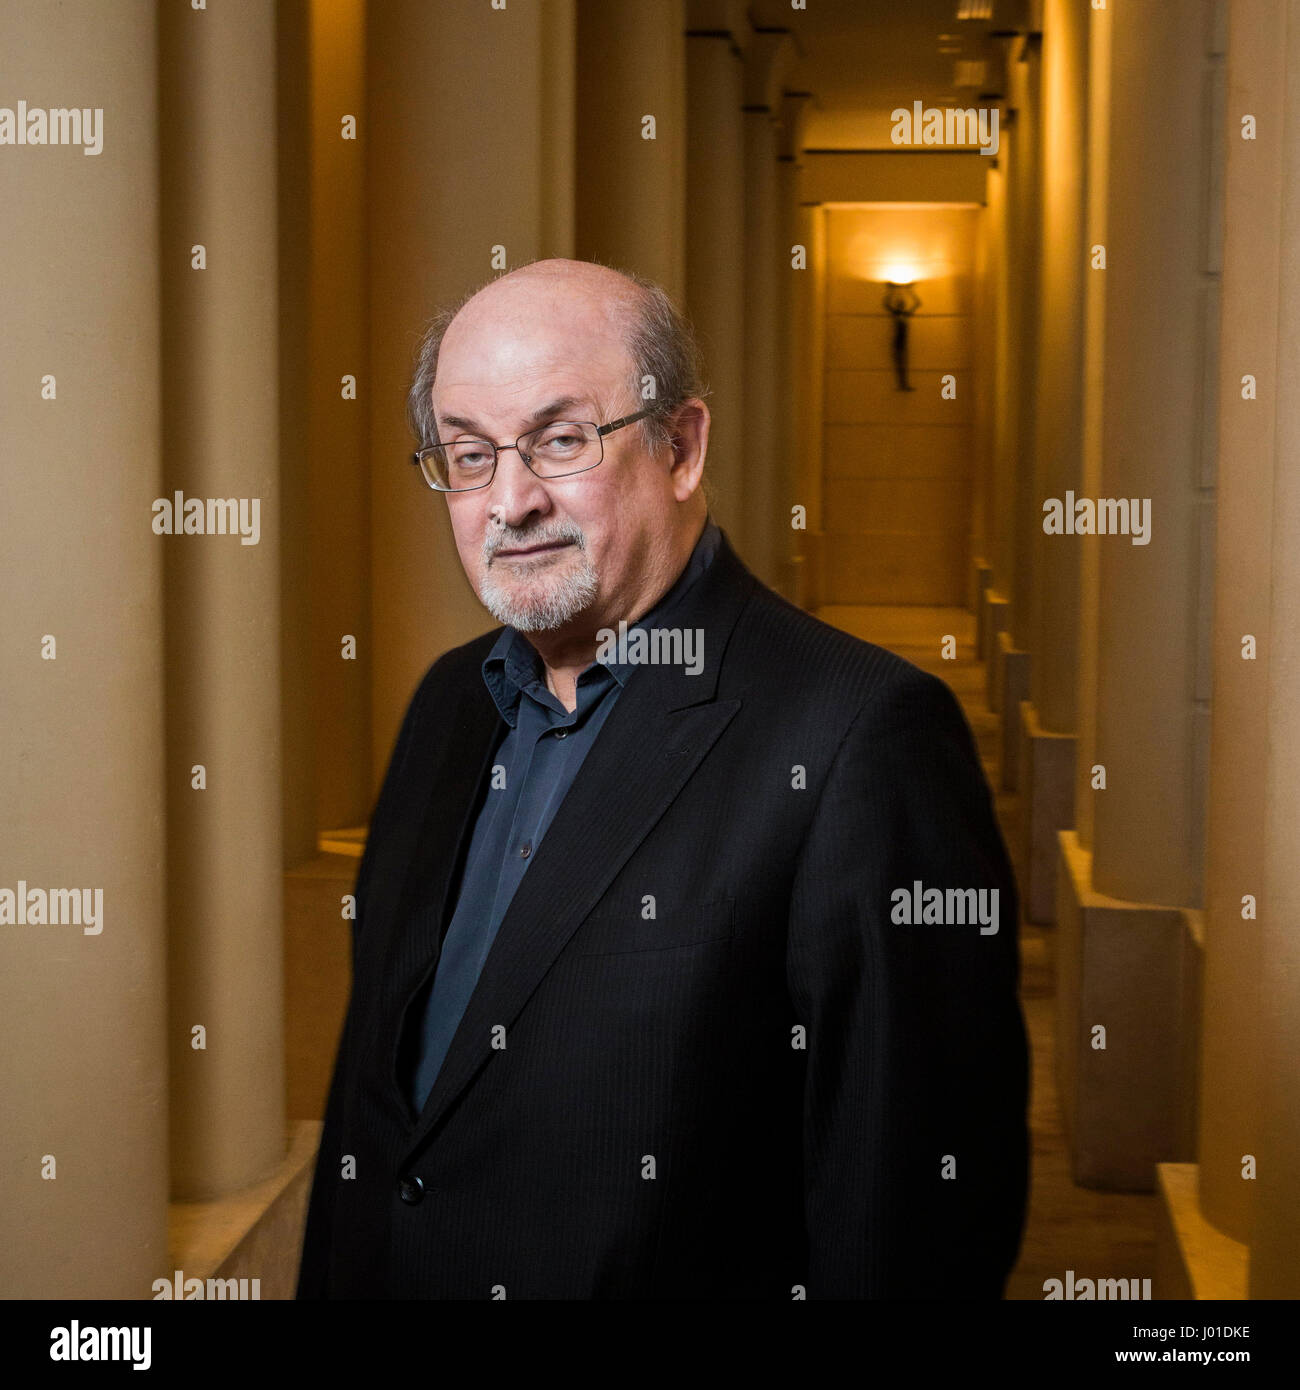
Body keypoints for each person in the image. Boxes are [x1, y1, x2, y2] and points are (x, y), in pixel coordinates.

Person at [296, 258, 1030, 1300]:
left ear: (681, 446)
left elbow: (911, 1220)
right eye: (467, 455)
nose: (510, 500)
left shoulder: (860, 738)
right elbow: (376, 1112)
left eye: (560, 439)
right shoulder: (447, 705)